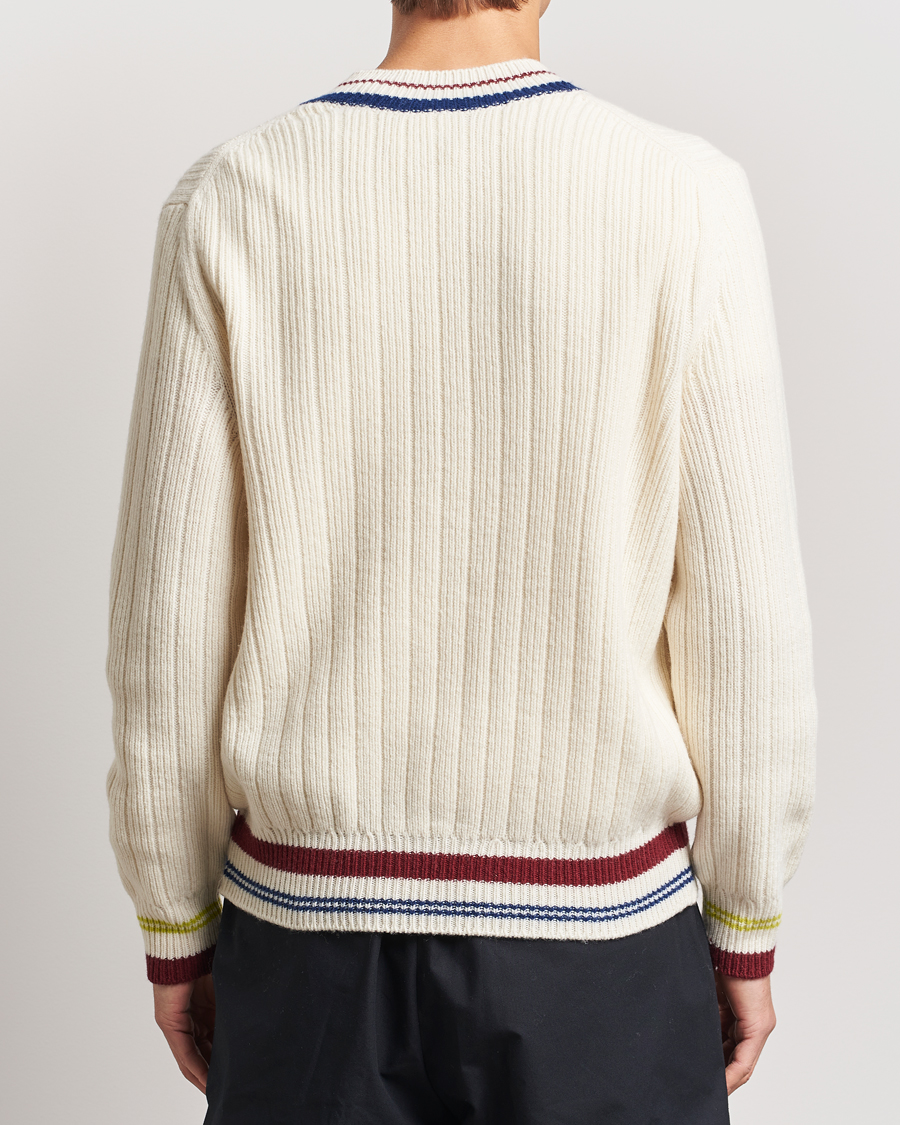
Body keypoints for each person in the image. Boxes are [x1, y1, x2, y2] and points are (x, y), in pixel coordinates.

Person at [104, 0, 817, 1120]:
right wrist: (745, 921)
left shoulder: (236, 195)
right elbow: (746, 615)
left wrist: (175, 924)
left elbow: (168, 623)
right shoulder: (685, 196)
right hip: (602, 950)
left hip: (310, 944)